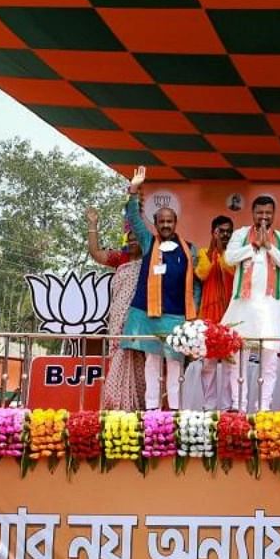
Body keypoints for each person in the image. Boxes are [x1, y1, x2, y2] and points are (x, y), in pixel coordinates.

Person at [122, 166, 198, 410]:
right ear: (155, 223)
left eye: (169, 221)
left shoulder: (189, 249)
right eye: (161, 221)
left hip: (176, 318)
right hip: (149, 316)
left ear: (176, 223)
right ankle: (153, 411)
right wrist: (134, 190)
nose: (165, 225)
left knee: (175, 366)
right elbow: (133, 218)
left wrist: (192, 318)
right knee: (152, 364)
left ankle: (175, 410)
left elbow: (195, 286)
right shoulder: (147, 242)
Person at [223, 195, 280, 411]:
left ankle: (263, 408)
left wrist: (269, 247)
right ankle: (239, 406)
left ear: (273, 214)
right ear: (252, 213)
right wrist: (254, 246)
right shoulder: (240, 235)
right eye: (259, 213)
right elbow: (229, 257)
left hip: (270, 309)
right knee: (237, 359)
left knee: (270, 362)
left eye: (268, 213)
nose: (263, 217)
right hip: (242, 308)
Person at [86, 206, 147, 411]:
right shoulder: (120, 259)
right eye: (129, 239)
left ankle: (138, 406)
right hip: (118, 321)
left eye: (136, 238)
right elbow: (95, 253)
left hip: (139, 321)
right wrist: (93, 225)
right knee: (119, 359)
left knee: (139, 362)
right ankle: (117, 405)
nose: (131, 242)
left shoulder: (148, 262)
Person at [186, 215, 235, 410]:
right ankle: (209, 404)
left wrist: (223, 252)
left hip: (231, 314)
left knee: (231, 363)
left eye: (228, 232)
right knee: (208, 364)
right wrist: (213, 249)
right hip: (209, 314)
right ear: (213, 233)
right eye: (221, 231)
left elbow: (230, 270)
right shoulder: (204, 252)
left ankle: (228, 406)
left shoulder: (234, 254)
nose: (225, 235)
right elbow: (202, 273)